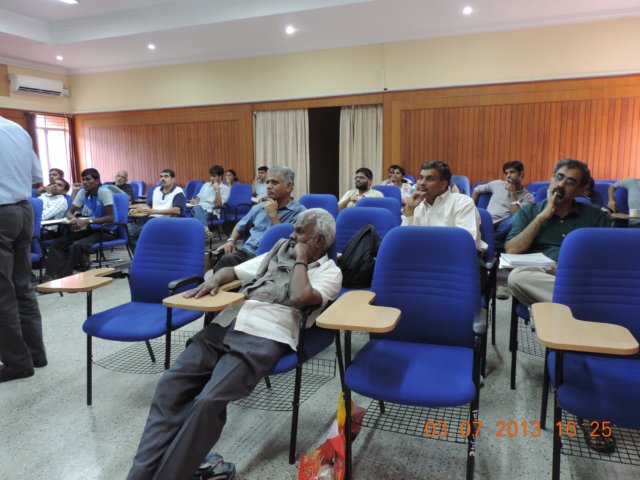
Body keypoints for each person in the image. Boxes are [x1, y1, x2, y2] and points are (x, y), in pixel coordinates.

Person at [126, 208, 342, 480]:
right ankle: (139, 475)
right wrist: (215, 279)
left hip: (265, 334)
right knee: (171, 385)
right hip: (227, 324)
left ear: (319, 241)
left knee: (207, 402)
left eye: (299, 232)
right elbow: (235, 271)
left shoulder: (331, 272)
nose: (291, 236)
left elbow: (300, 297)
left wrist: (300, 258)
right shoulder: (279, 250)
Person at [506, 158, 610, 306]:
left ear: (580, 190)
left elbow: (608, 258)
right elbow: (512, 250)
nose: (561, 185)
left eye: (570, 182)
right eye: (559, 177)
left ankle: (561, 309)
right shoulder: (529, 211)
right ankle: (585, 304)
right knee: (517, 278)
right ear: (551, 179)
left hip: (579, 274)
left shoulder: (595, 215)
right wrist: (541, 218)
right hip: (542, 273)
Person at [0, 116, 47, 383]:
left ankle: (17, 362)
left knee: (2, 293)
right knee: (23, 286)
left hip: (1, 213)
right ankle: (35, 354)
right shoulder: (15, 128)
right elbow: (37, 177)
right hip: (23, 210)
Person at [213, 165, 306, 271]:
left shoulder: (300, 213)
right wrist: (231, 240)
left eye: (274, 183)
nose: (268, 186)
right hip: (247, 254)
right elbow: (239, 226)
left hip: (272, 259)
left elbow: (288, 246)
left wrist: (273, 216)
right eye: (267, 182)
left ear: (289, 186)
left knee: (226, 264)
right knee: (221, 257)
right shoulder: (259, 207)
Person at [45, 168, 116, 279]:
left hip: (107, 230)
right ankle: (51, 275)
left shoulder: (104, 192)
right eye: (83, 179)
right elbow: (69, 212)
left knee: (77, 245)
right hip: (92, 228)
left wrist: (87, 221)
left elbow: (111, 218)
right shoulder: (83, 192)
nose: (85, 182)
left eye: (88, 179)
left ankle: (64, 276)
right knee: (58, 243)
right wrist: (74, 219)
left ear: (97, 181)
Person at [402, 160, 486, 252]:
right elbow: (404, 241)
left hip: (455, 256)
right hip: (423, 255)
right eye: (421, 178)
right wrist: (409, 210)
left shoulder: (463, 203)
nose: (422, 183)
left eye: (429, 179)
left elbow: (465, 243)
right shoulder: (416, 205)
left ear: (443, 184)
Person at [471, 160, 534, 242]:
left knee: (517, 217)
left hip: (503, 226)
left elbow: (517, 216)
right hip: (486, 222)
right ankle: (489, 238)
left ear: (521, 174)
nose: (508, 176)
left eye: (512, 172)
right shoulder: (497, 184)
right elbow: (477, 189)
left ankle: (488, 239)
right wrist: (472, 209)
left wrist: (512, 193)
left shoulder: (528, 197)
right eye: (506, 173)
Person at [128, 169, 186, 250]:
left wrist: (155, 211)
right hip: (152, 219)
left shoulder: (178, 191)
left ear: (173, 179)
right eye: (161, 176)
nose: (163, 179)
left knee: (144, 232)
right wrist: (138, 210)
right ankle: (142, 254)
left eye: (166, 176)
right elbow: (148, 206)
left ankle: (148, 252)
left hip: (168, 220)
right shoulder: (156, 190)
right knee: (128, 232)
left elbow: (177, 210)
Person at [191, 165, 230, 239]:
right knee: (196, 208)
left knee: (196, 215)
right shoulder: (206, 185)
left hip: (212, 212)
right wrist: (193, 201)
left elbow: (218, 205)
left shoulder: (226, 189)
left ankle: (200, 233)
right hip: (200, 208)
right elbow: (197, 200)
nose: (211, 178)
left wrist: (217, 189)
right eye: (211, 176)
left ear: (220, 176)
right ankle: (205, 230)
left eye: (214, 176)